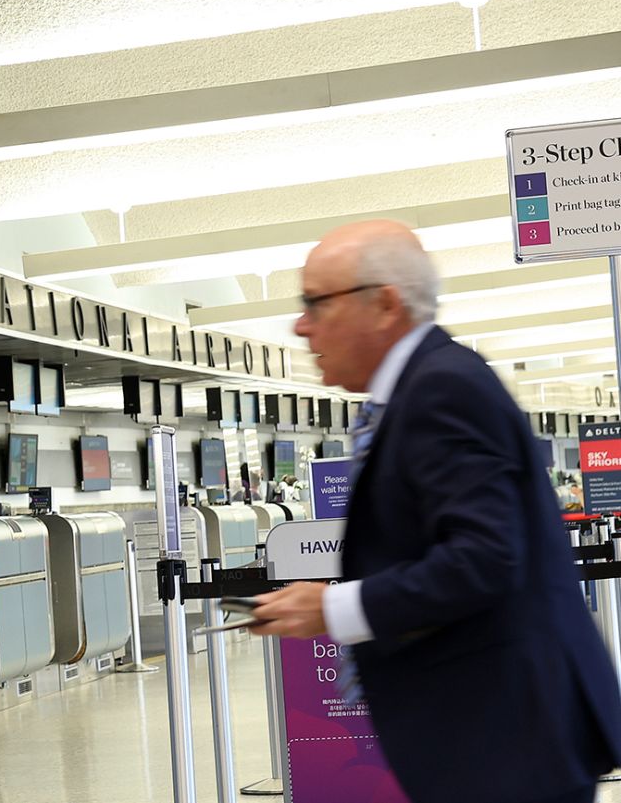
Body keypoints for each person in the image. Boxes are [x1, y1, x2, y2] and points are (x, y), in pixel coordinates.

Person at [250, 220, 621, 803]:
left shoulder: (443, 389)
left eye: (315, 303)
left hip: (507, 741)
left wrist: (334, 605)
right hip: (492, 735)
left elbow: (485, 558)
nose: (301, 325)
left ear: (385, 305)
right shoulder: (423, 389)